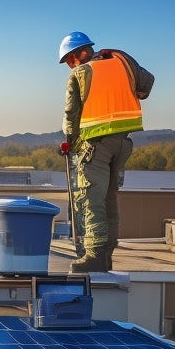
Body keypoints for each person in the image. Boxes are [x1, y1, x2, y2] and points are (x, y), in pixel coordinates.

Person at [58, 32, 154, 273]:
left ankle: (96, 255)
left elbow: (71, 116)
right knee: (109, 199)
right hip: (122, 143)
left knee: (91, 200)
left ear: (80, 53)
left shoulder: (80, 73)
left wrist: (70, 143)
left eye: (70, 59)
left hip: (97, 145)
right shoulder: (121, 62)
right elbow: (148, 81)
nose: (70, 65)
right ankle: (107, 254)